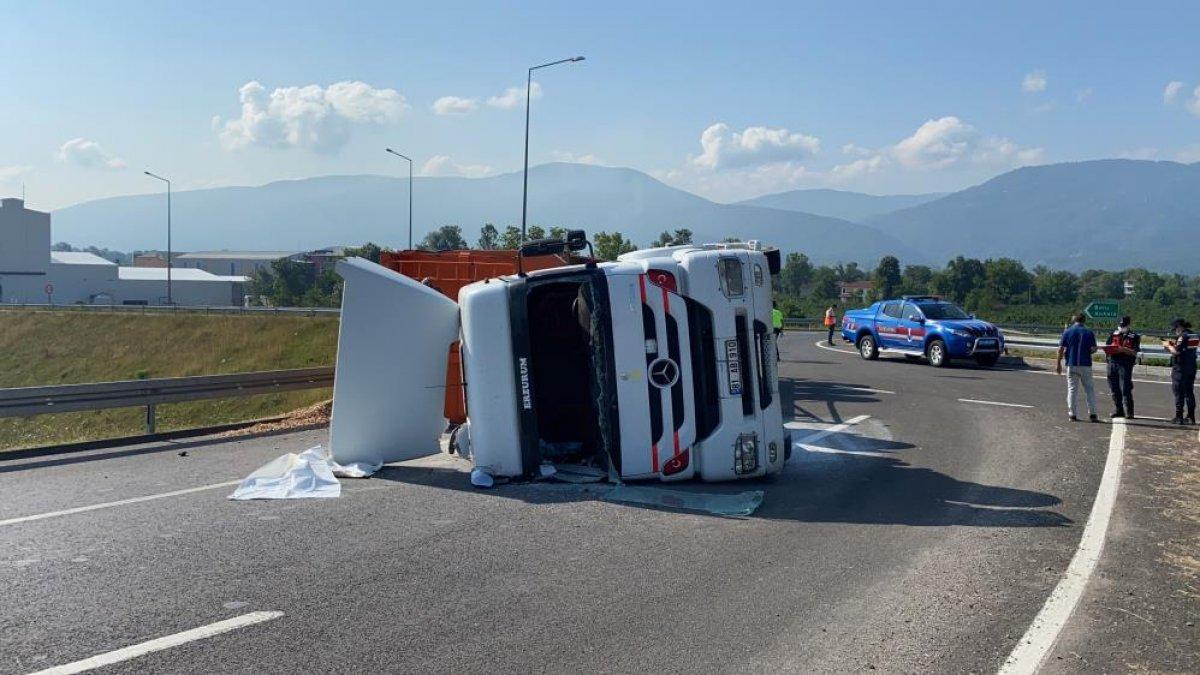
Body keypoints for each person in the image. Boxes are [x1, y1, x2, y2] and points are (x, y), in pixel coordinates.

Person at [1056, 313, 1099, 422]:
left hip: (1072, 364)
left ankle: (1072, 414)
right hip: (1086, 365)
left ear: (1074, 320)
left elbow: (1060, 349)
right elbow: (1094, 349)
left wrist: (1058, 364)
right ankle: (1092, 414)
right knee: (1089, 390)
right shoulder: (1089, 332)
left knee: (1072, 390)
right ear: (1084, 321)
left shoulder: (1068, 332)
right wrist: (1089, 350)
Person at [1105, 315, 1140, 419]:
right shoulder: (1114, 334)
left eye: (1123, 325)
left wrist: (1123, 350)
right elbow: (1107, 346)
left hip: (1125, 364)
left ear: (1128, 324)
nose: (1121, 327)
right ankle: (1119, 410)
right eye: (1120, 325)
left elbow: (1134, 352)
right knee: (1114, 389)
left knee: (1125, 388)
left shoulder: (1134, 336)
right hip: (1112, 363)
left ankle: (1129, 412)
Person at [1164, 318, 1197, 425]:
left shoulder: (1183, 336)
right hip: (1191, 366)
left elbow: (1176, 352)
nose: (1175, 331)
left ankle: (1179, 417)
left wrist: (1168, 346)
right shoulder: (1194, 335)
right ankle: (1191, 417)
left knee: (1178, 392)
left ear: (1179, 327)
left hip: (1180, 368)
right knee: (1189, 392)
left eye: (1175, 329)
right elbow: (1187, 348)